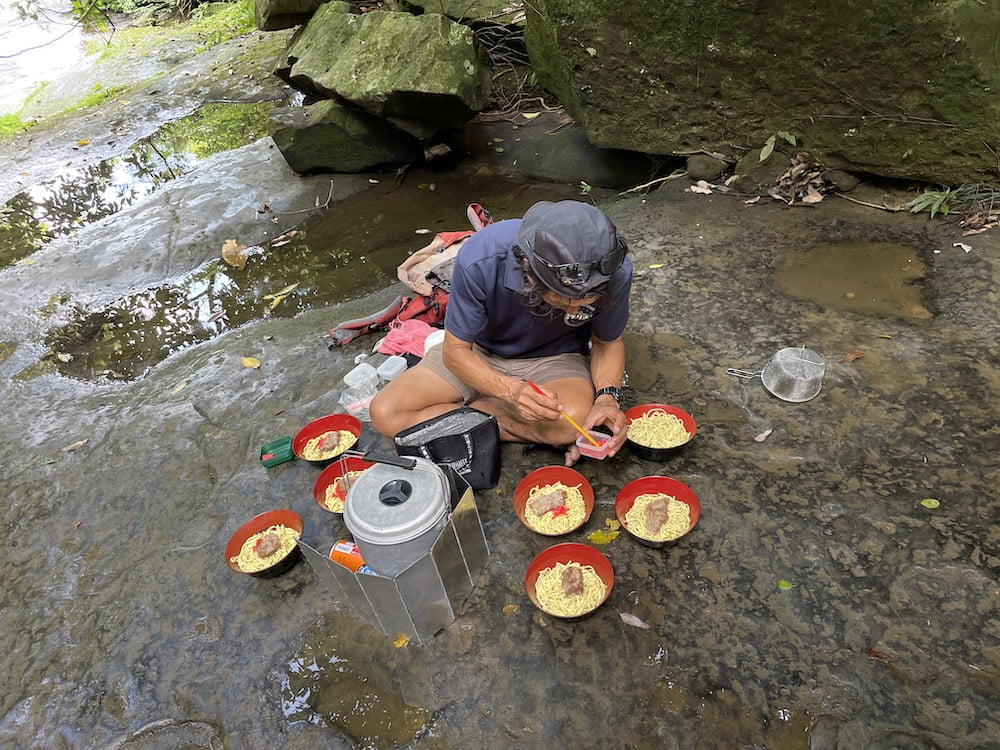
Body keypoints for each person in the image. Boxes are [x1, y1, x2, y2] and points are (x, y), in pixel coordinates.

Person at [369, 199, 632, 465]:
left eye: (583, 307)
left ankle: (470, 417)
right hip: (478, 353)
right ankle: (489, 418)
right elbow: (456, 351)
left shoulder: (615, 271)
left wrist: (608, 398)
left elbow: (607, 342)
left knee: (572, 422)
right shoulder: (482, 256)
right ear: (529, 276)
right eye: (564, 302)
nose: (573, 311)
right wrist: (511, 393)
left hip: (554, 358)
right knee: (386, 413)